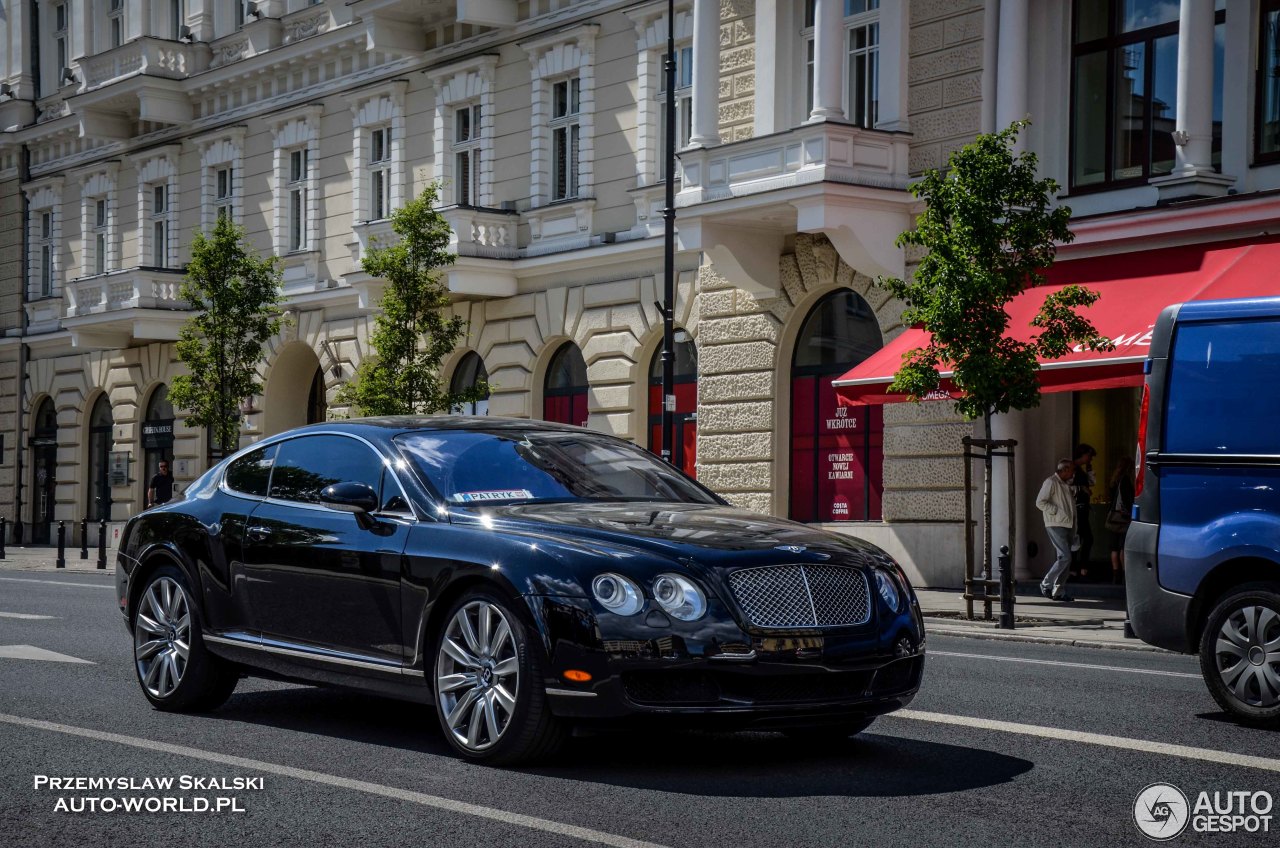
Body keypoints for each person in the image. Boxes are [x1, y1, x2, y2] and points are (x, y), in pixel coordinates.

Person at [1036, 459, 1077, 602]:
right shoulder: (1051, 482)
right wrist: (1055, 511)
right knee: (1065, 557)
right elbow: (1040, 502)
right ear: (1065, 469)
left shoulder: (1064, 484)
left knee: (1066, 560)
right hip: (1056, 524)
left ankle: (1059, 591)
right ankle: (1046, 583)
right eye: (1072, 470)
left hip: (1067, 524)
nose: (1073, 473)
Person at [1071, 443, 1097, 579]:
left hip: (1082, 508)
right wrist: (1082, 489)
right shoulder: (1072, 469)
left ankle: (1077, 568)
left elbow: (1092, 482)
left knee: (1080, 538)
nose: (1090, 459)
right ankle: (1080, 568)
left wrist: (1089, 469)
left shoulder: (1081, 470)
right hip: (1077, 508)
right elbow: (1066, 487)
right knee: (1084, 538)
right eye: (1089, 456)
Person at [1108, 455, 1135, 584]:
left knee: (1114, 548)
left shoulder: (1114, 480)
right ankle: (1124, 575)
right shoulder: (1125, 480)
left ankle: (1115, 575)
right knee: (1122, 547)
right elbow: (1127, 500)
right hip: (1123, 518)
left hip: (1113, 518)